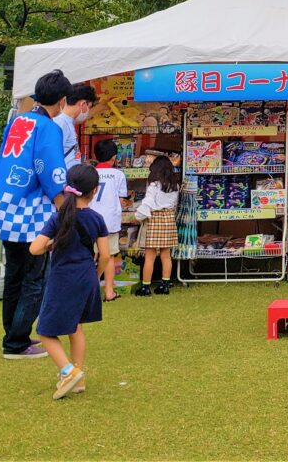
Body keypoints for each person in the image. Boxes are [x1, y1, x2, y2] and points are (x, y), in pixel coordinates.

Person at [0, 69, 71, 360]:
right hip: (31, 210)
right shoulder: (49, 128)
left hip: (5, 202)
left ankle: (13, 335)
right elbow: (51, 170)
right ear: (62, 100)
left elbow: (2, 161)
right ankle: (16, 342)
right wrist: (63, 208)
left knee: (14, 274)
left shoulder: (19, 120)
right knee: (35, 277)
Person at [29, 164, 109, 398]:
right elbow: (105, 256)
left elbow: (34, 249)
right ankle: (79, 378)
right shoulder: (97, 219)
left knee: (44, 331)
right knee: (76, 327)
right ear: (95, 190)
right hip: (87, 276)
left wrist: (50, 244)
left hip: (63, 279)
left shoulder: (59, 218)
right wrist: (96, 275)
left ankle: (68, 371)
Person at [134, 155, 179, 296]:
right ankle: (165, 285)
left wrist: (139, 215)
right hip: (169, 219)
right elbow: (175, 204)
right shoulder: (174, 186)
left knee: (150, 256)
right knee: (166, 255)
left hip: (155, 219)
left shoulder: (153, 185)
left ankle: (145, 287)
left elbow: (148, 203)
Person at [91, 139, 129, 302]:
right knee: (110, 255)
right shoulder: (119, 175)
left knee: (91, 254)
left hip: (91, 219)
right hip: (110, 221)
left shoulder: (90, 173)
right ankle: (109, 291)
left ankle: (89, 289)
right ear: (114, 157)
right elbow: (121, 200)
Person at [53, 82, 98, 169]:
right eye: (89, 107)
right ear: (83, 104)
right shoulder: (61, 123)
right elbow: (53, 154)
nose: (88, 111)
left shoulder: (68, 122)